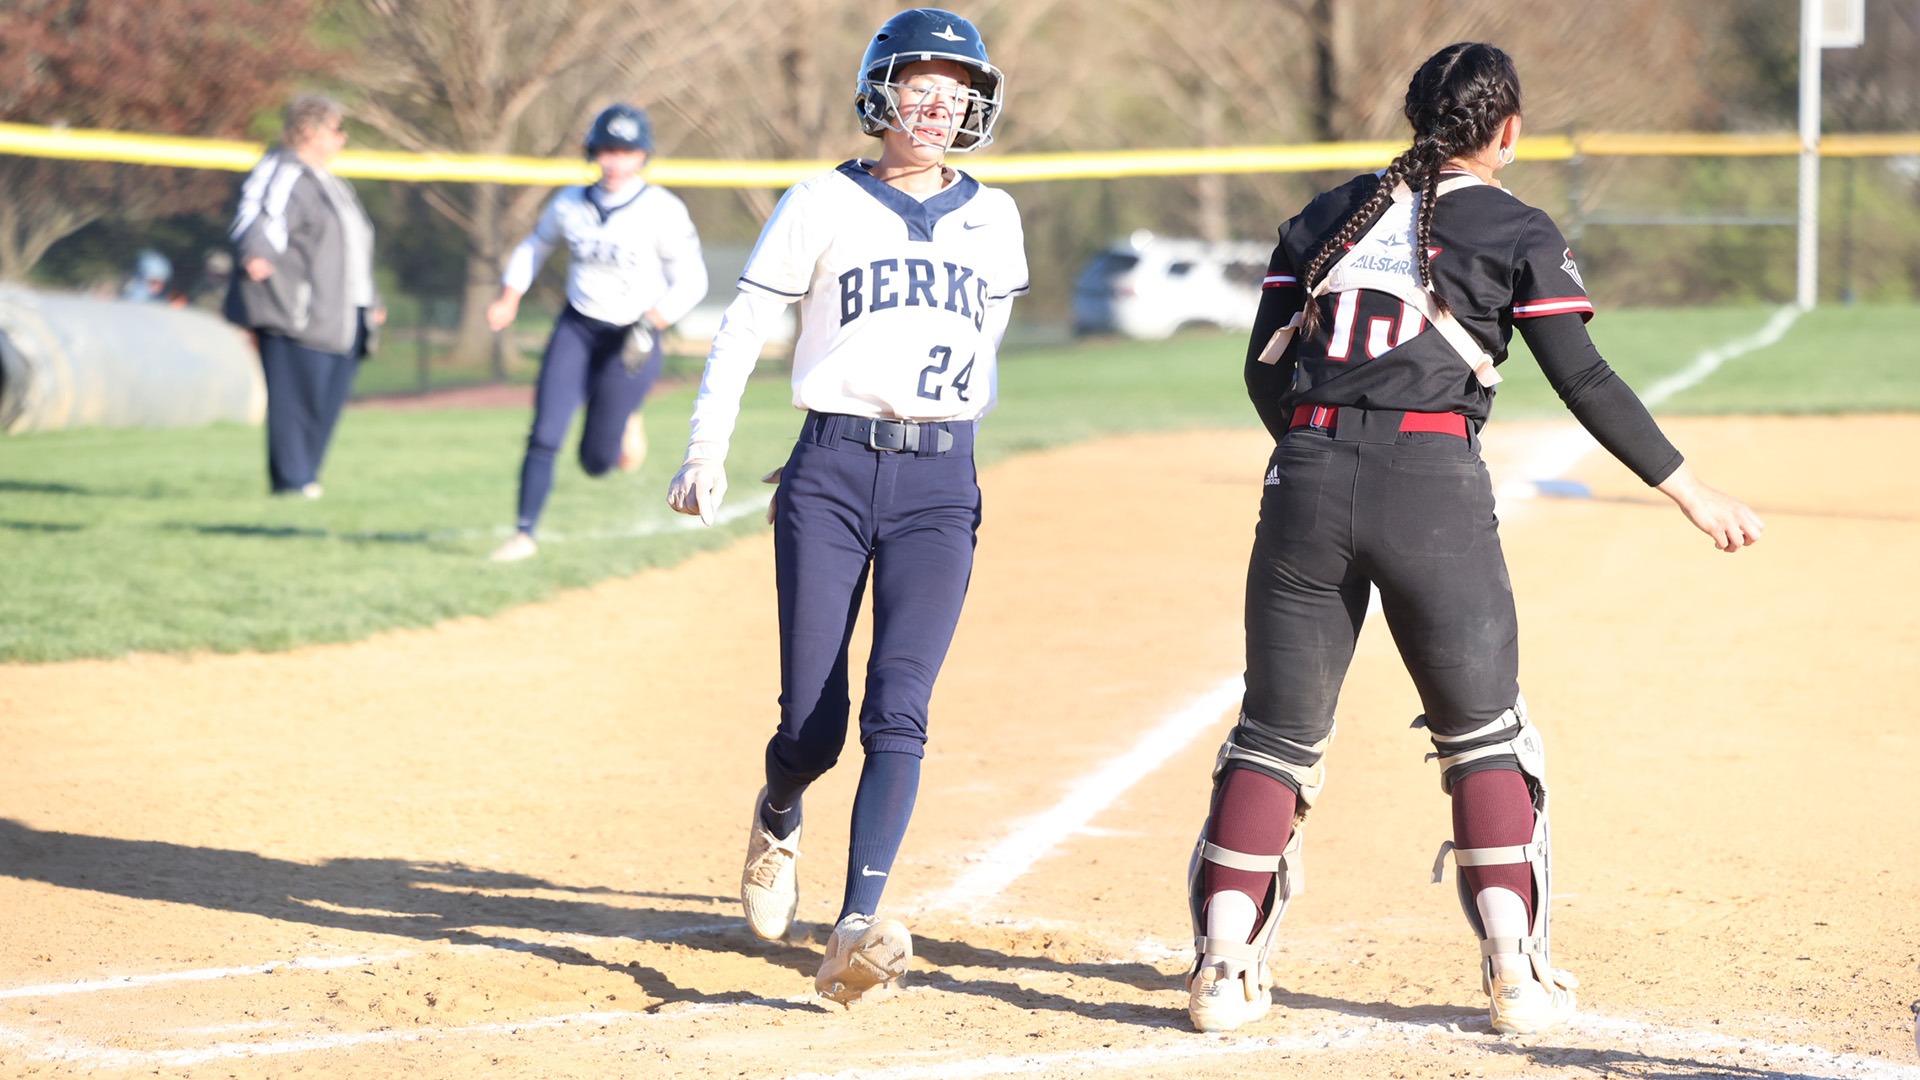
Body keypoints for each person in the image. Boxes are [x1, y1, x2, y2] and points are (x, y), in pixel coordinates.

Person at [1182, 42, 1765, 1037]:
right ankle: (1515, 977)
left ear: (1415, 117)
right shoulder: (1513, 225)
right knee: (1487, 737)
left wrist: (1323, 458)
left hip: (1306, 480)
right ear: (1508, 130)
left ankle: (1221, 975)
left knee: (1274, 741)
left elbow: (1262, 373)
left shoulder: (1327, 215)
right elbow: (1584, 380)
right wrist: (1687, 490)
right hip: (1433, 486)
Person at [666, 8, 1026, 1005]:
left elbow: (979, 351)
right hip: (828, 470)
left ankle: (856, 924)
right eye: (922, 80)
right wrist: (707, 450)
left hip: (939, 484)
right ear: (878, 92)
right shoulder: (822, 200)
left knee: (898, 712)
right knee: (815, 727)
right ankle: (781, 804)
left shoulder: (994, 217)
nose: (940, 100)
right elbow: (742, 330)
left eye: (958, 86)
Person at [485, 103, 707, 563]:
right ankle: (523, 533)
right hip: (579, 327)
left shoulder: (662, 209)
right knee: (544, 432)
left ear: (642, 156)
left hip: (633, 338)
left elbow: (693, 280)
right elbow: (534, 245)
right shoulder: (570, 202)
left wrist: (655, 319)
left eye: (625, 151)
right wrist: (509, 297)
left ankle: (626, 419)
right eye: (606, 150)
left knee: (597, 461)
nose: (614, 161)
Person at [224, 95, 383, 500]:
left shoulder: (329, 181)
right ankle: (292, 483)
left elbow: (353, 246)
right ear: (309, 131)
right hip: (298, 313)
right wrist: (258, 251)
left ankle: (306, 478)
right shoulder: (282, 171)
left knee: (324, 404)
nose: (343, 138)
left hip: (342, 315)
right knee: (295, 400)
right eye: (336, 129)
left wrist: (371, 298)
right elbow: (260, 214)